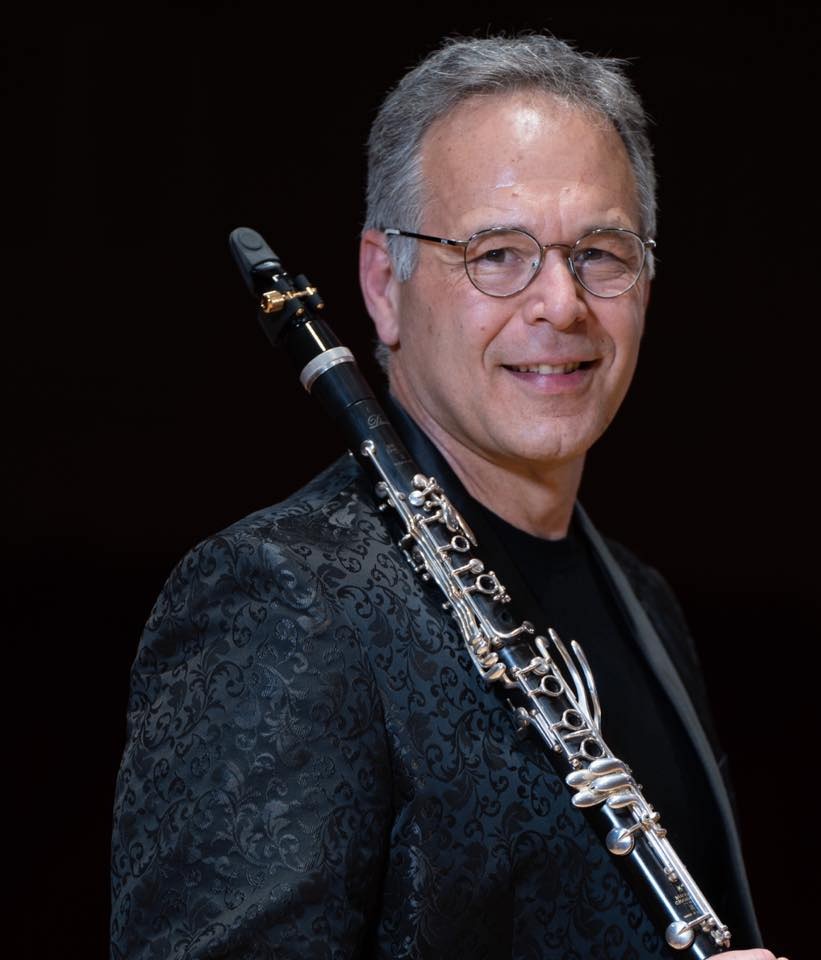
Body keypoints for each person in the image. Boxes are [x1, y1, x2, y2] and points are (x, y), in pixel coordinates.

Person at [111, 35, 784, 960]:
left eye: (600, 252)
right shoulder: (283, 599)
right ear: (383, 285)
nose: (561, 304)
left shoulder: (646, 601)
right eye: (497, 254)